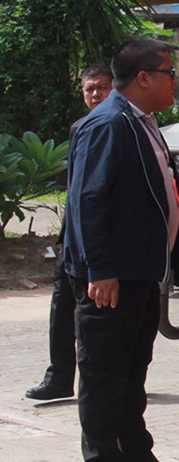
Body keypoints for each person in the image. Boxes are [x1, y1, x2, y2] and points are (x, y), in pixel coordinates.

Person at [64, 40, 179, 462]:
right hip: (110, 277)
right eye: (169, 72)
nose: (177, 80)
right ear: (143, 78)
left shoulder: (142, 122)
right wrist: (102, 269)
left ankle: (136, 456)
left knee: (132, 370)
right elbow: (87, 201)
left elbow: (157, 198)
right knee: (104, 373)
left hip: (140, 271)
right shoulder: (109, 125)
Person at [26, 66, 113, 402]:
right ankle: (59, 376)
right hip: (72, 237)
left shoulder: (119, 128)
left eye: (102, 88)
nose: (95, 95)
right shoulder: (80, 128)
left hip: (100, 245)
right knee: (62, 307)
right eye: (90, 89)